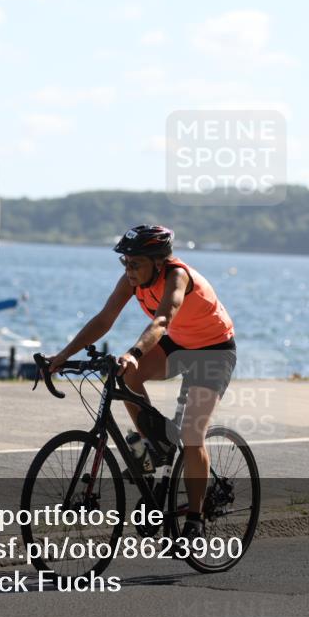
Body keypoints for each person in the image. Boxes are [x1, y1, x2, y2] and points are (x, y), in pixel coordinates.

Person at [47, 224, 237, 542]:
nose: (129, 270)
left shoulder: (177, 276)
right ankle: (156, 442)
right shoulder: (132, 280)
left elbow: (163, 320)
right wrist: (63, 355)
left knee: (192, 434)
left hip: (213, 351)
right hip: (180, 345)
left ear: (157, 261)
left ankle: (195, 517)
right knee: (127, 376)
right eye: (125, 263)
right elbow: (104, 318)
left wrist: (135, 352)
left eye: (135, 263)